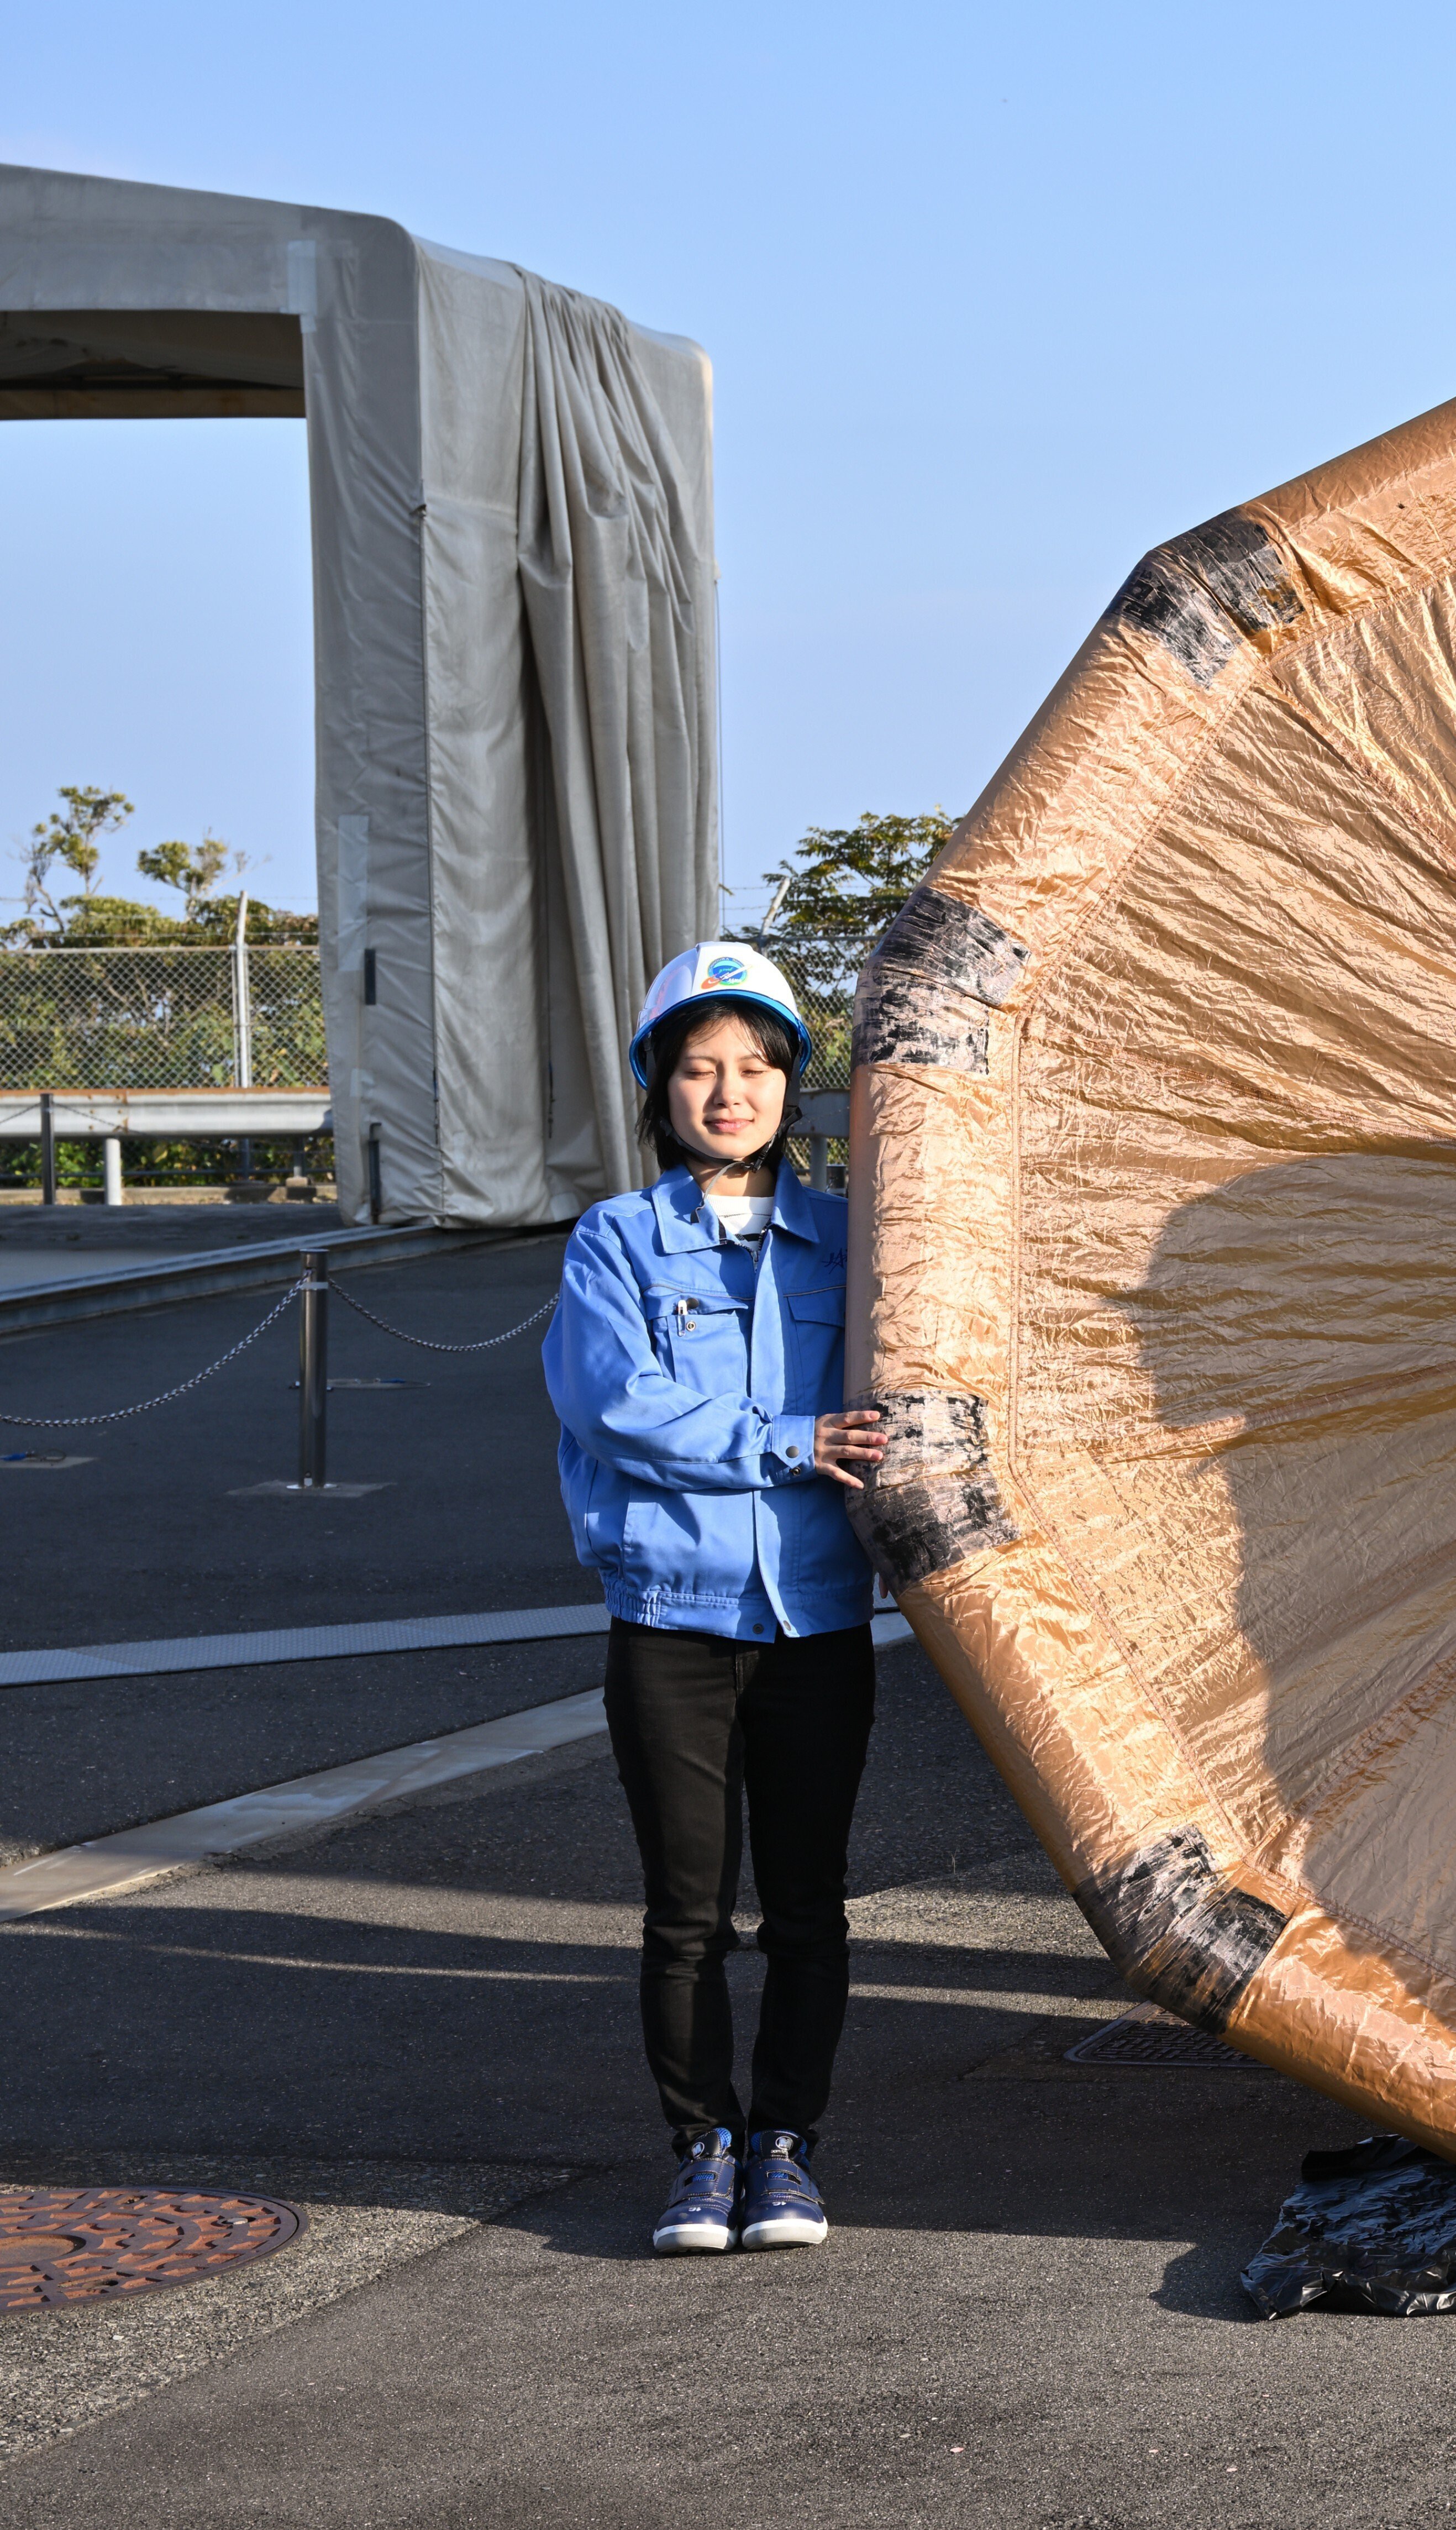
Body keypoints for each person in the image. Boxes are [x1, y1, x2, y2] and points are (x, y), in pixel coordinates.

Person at [544, 942, 887, 2254]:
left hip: (816, 1624)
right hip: (669, 1626)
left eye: (753, 1066)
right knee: (685, 1913)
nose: (727, 1091)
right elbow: (615, 1407)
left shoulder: (852, 1239)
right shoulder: (614, 1242)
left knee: (808, 1906)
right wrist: (793, 1440)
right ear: (659, 1086)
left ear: (790, 1084)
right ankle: (700, 2151)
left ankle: (787, 2149)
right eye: (698, 1067)